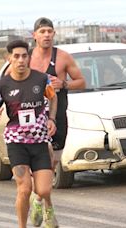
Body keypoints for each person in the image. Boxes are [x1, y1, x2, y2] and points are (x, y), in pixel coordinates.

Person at [0, 40, 59, 228]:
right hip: (16, 142)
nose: (20, 60)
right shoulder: (2, 85)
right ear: (8, 58)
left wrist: (51, 119)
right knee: (24, 189)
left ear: (29, 57)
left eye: (24, 56)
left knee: (43, 189)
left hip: (40, 140)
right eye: (16, 56)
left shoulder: (42, 79)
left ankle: (44, 204)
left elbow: (53, 97)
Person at [28, 16, 85, 225]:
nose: (46, 35)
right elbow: (8, 81)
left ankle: (39, 199)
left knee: (51, 165)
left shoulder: (63, 58)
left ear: (54, 34)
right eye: (42, 32)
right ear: (34, 35)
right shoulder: (26, 58)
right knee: (39, 164)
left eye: (49, 32)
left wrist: (64, 83)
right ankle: (46, 207)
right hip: (32, 120)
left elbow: (82, 82)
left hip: (58, 118)